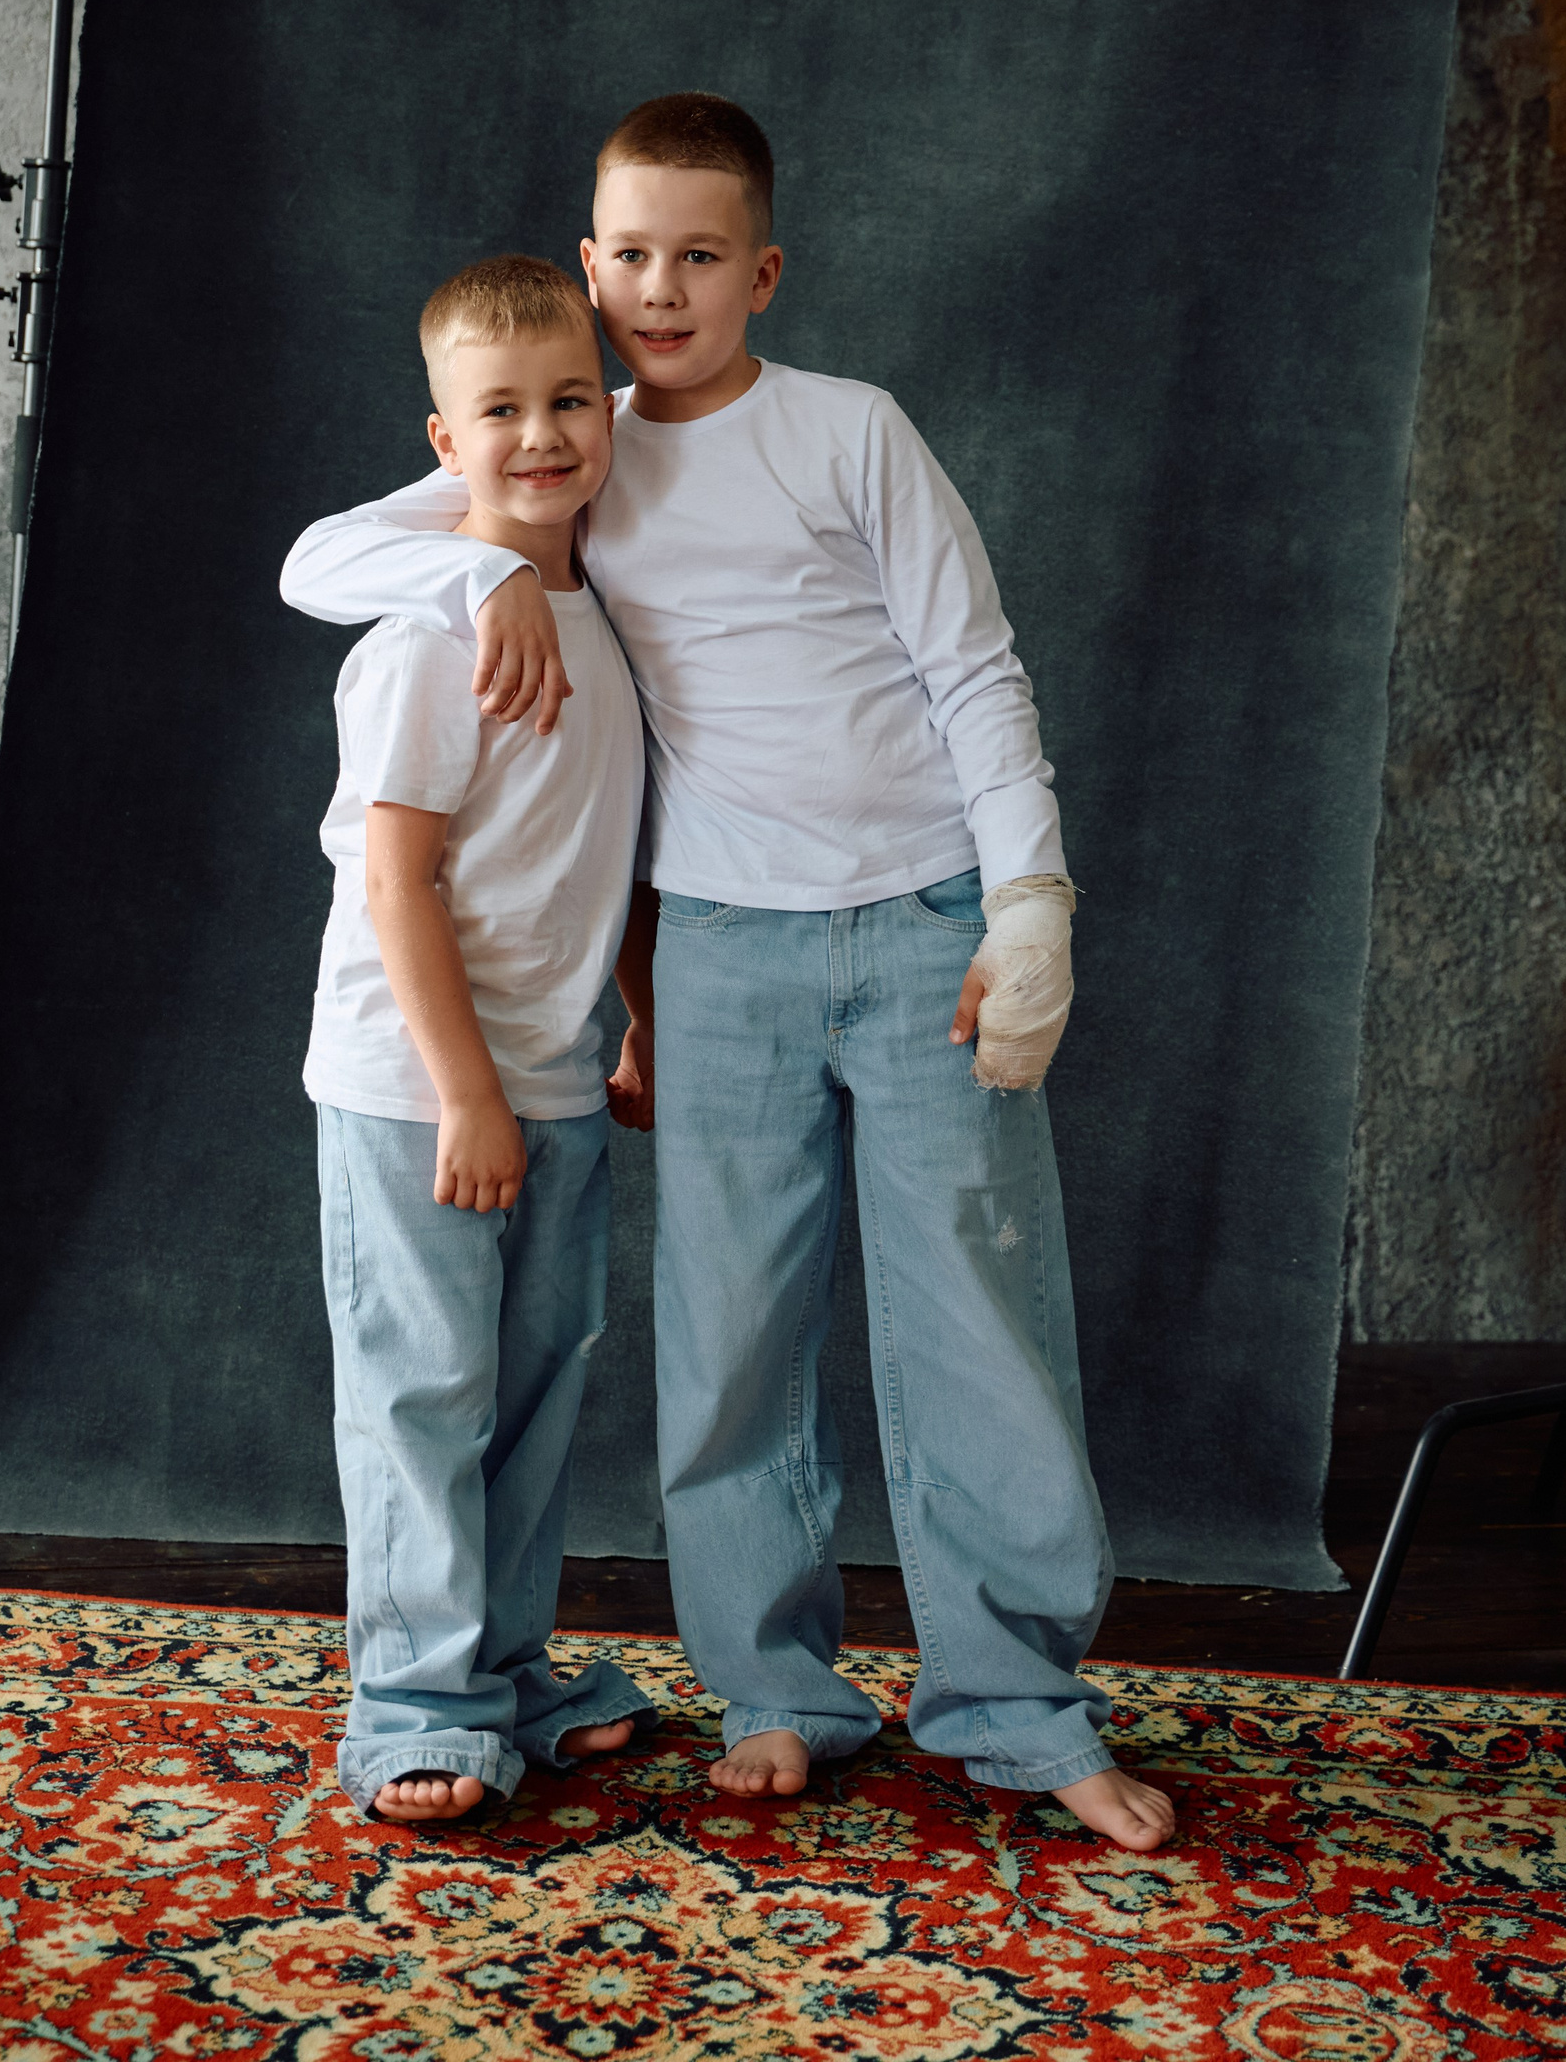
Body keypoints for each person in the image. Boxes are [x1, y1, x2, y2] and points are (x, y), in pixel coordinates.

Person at [284, 97, 1173, 1852]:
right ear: (592, 262)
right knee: (731, 1338)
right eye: (630, 254)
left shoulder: (849, 433)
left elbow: (975, 669)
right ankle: (775, 1691)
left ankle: (1017, 1702)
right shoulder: (572, 443)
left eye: (701, 256)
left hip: (923, 927)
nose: (662, 288)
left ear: (762, 273)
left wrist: (1029, 900)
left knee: (979, 1319)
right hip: (719, 951)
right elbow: (319, 558)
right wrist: (476, 581)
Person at [300, 251, 656, 1827]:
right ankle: (414, 1706)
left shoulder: (605, 620)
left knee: (532, 1394)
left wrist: (637, 1018)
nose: (542, 435)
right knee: (423, 1394)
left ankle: (503, 1669)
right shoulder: (429, 636)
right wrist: (467, 1095)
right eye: (499, 411)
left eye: (570, 399)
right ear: (445, 445)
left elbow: (613, 849)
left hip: (554, 1075)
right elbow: (398, 882)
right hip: (420, 1088)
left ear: (609, 415)